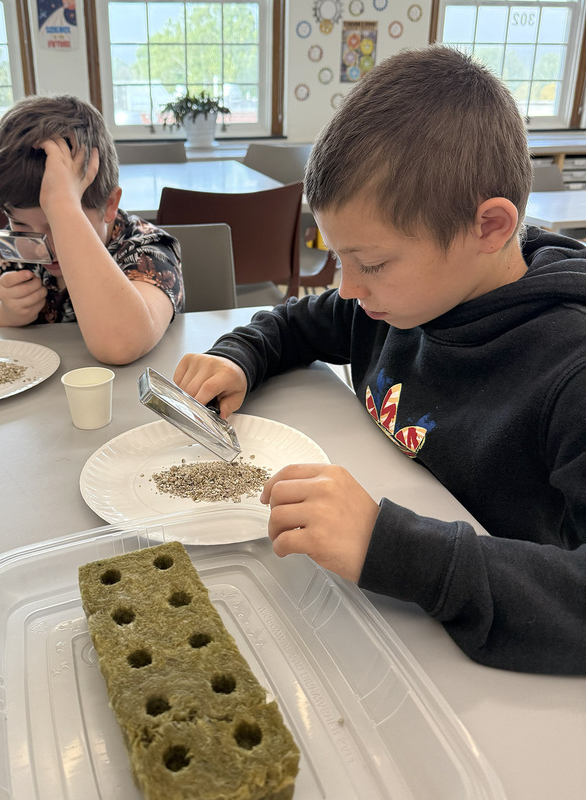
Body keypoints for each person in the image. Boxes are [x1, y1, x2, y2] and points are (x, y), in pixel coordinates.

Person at [173, 45, 586, 675]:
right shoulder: (400, 300)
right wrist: (240, 355)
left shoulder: (570, 369)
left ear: (490, 227)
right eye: (339, 258)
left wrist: (392, 548)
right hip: (375, 636)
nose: (347, 288)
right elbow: (298, 324)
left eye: (372, 263)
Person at [0, 95, 184, 365]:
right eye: (21, 224)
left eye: (57, 223)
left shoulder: (147, 248)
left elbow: (120, 346)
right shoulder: (19, 247)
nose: (43, 246)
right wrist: (3, 318)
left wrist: (62, 205)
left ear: (109, 205)